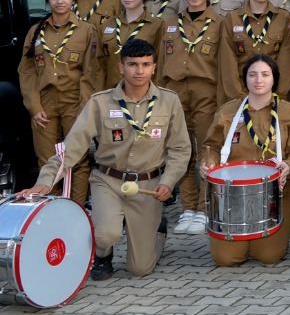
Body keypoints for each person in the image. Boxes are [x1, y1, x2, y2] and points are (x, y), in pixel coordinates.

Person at [19, 38, 189, 280]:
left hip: (148, 187)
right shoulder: (100, 102)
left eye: (145, 64)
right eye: (132, 64)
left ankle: (157, 231)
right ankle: (102, 254)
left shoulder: (169, 101)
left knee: (140, 268)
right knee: (105, 234)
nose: (139, 71)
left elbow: (180, 148)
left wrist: (168, 182)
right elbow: (72, 147)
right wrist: (45, 182)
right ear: (121, 67)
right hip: (108, 181)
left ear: (154, 67)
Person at [202, 55, 290, 267]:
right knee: (226, 259)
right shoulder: (228, 111)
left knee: (268, 256)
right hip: (235, 195)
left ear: (274, 79)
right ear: (245, 79)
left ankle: (258, 242)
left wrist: (289, 165)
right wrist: (208, 164)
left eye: (265, 74)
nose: (258, 80)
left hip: (277, 194)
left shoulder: (289, 112)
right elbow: (211, 146)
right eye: (252, 75)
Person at [159, 0, 231, 235]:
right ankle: (188, 207)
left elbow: (225, 65)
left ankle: (204, 208)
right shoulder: (169, 24)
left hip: (206, 93)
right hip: (175, 93)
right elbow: (160, 64)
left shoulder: (220, 23)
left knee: (207, 150)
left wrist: (224, 101)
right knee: (181, 150)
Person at [19, 0, 100, 204]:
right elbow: (26, 72)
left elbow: (90, 72)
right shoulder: (36, 31)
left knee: (77, 159)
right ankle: (52, 209)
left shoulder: (86, 30)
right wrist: (34, 107)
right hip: (44, 102)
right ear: (48, 1)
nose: (59, 2)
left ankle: (77, 207)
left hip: (74, 99)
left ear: (73, 0)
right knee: (47, 160)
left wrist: (84, 108)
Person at [221, 0, 290, 99]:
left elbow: (286, 60)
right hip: (241, 92)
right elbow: (228, 60)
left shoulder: (283, 18)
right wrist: (238, 96)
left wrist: (277, 95)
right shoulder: (232, 18)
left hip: (274, 92)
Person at [92, 0, 164, 93]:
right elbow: (98, 65)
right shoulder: (108, 25)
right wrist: (99, 94)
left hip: (143, 94)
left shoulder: (157, 26)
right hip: (111, 93)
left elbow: (159, 65)